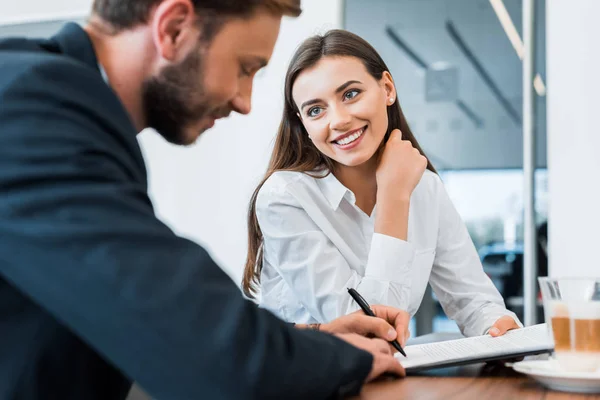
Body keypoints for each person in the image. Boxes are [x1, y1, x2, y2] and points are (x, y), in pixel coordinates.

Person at [0, 2, 408, 399]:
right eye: (245, 68)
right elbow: (187, 330)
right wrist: (337, 358)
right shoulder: (32, 107)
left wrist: (310, 340)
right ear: (174, 28)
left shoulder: (52, 99)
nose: (244, 101)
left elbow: (126, 316)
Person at [242, 29, 522, 340]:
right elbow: (369, 333)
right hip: (304, 384)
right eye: (316, 110)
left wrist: (498, 327)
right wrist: (393, 196)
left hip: (385, 379)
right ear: (304, 124)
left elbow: (474, 300)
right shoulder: (284, 197)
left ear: (387, 88)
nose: (338, 121)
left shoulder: (425, 187)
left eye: (350, 94)